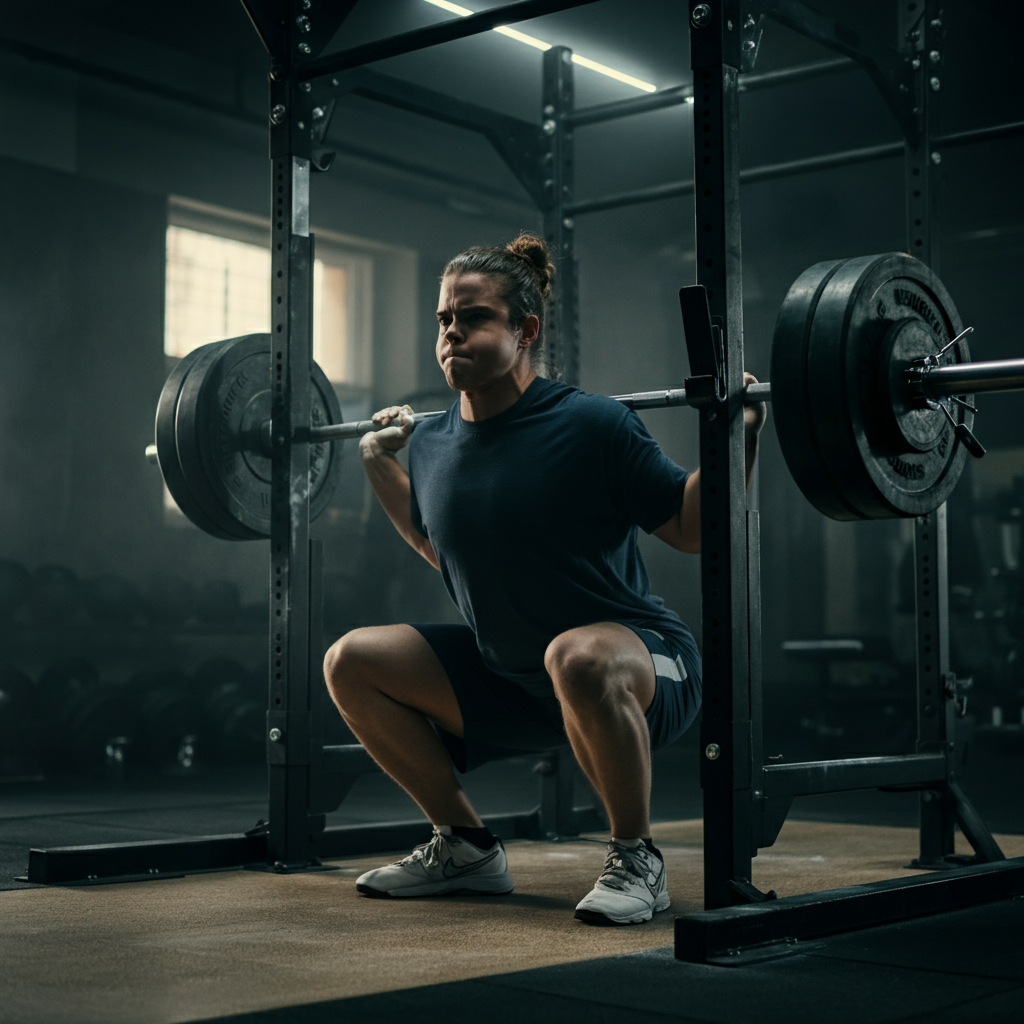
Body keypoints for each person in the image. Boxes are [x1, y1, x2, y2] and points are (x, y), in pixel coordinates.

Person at [323, 234, 765, 925]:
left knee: (576, 655)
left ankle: (637, 859)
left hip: (641, 664)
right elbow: (441, 548)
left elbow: (689, 526)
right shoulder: (435, 440)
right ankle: (466, 845)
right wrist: (380, 465)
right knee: (351, 660)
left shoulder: (593, 424)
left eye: (474, 317)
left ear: (525, 330)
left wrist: (738, 428)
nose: (452, 333)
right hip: (516, 679)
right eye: (444, 319)